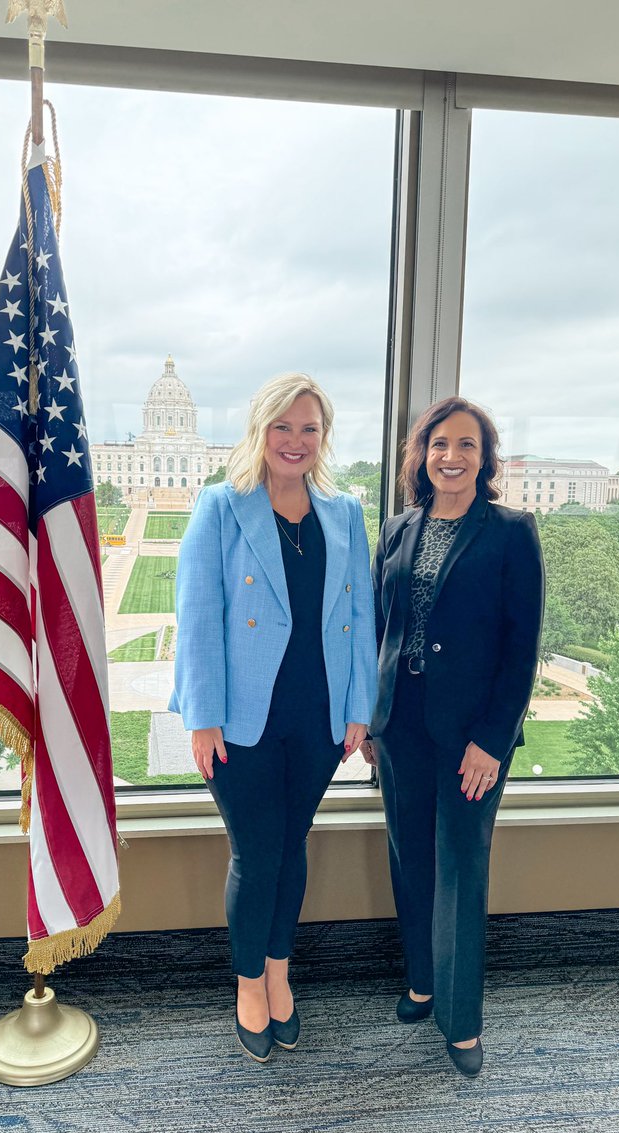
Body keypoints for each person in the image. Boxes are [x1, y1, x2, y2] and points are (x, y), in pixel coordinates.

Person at [170, 373, 378, 1063]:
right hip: (240, 721)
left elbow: (359, 616)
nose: (295, 441)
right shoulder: (221, 507)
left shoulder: (345, 512)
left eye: (309, 429)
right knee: (257, 855)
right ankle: (249, 985)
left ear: (324, 438)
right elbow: (198, 619)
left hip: (318, 720)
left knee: (293, 848)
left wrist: (358, 712)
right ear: (261, 431)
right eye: (283, 427)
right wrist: (202, 719)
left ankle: (282, 970)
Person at [362, 396, 544, 1077]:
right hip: (401, 726)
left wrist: (494, 740)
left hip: (472, 737)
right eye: (440, 443)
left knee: (461, 869)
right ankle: (422, 982)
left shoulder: (510, 531)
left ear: (485, 459)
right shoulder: (398, 529)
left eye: (467, 445)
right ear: (423, 454)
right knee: (411, 859)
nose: (452, 456)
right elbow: (386, 629)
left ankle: (461, 1019)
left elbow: (521, 648)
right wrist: (374, 717)